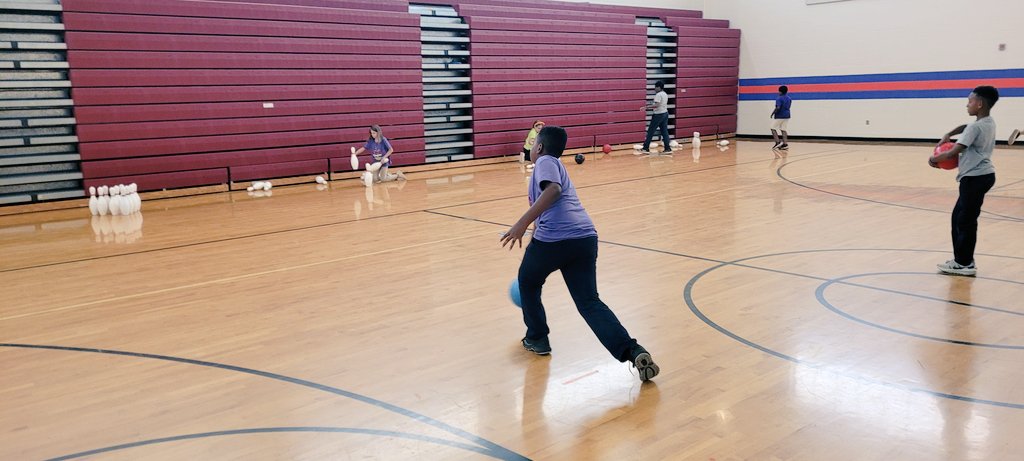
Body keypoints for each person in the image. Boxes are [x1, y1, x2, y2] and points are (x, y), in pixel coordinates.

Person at [500, 125, 659, 382]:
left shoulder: (545, 162)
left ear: (539, 147)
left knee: (528, 282)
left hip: (555, 241)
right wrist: (533, 231)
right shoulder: (557, 165)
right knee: (589, 302)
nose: (530, 147)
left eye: (533, 143)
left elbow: (553, 191)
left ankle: (538, 338)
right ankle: (633, 351)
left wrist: (521, 224)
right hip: (584, 239)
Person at [930, 86, 999, 276]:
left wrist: (933, 159)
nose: (966, 104)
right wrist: (949, 133)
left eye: (970, 101)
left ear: (979, 104)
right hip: (982, 176)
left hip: (975, 178)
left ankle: (964, 263)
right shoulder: (987, 122)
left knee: (965, 220)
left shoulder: (976, 126)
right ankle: (963, 259)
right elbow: (965, 127)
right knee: (959, 218)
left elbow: (954, 151)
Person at [640, 80, 671, 155]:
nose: (655, 89)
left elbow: (656, 105)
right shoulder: (665, 94)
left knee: (651, 131)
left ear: (659, 87)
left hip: (658, 115)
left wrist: (646, 107)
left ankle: (645, 148)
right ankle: (667, 148)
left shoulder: (658, 95)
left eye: (656, 87)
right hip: (665, 114)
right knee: (664, 132)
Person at [770, 85, 792, 150]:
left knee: (772, 128)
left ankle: (778, 142)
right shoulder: (789, 98)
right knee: (783, 129)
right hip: (787, 115)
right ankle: (785, 144)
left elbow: (778, 107)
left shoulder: (779, 98)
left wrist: (773, 113)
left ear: (780, 92)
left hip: (780, 115)